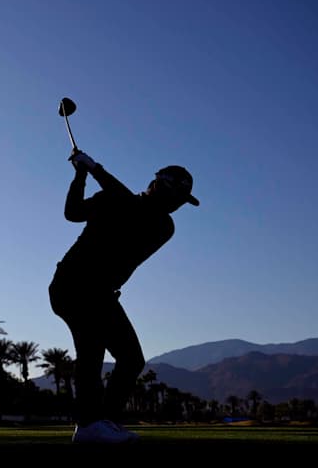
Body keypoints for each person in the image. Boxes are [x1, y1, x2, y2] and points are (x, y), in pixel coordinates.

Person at [48, 148, 199, 444]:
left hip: (100, 293)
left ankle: (101, 423)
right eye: (176, 198)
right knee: (92, 351)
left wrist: (93, 167)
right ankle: (91, 425)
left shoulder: (162, 226)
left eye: (181, 202)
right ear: (157, 186)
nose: (178, 205)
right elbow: (72, 212)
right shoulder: (112, 199)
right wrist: (81, 175)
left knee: (131, 359)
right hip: (72, 285)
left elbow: (132, 209)